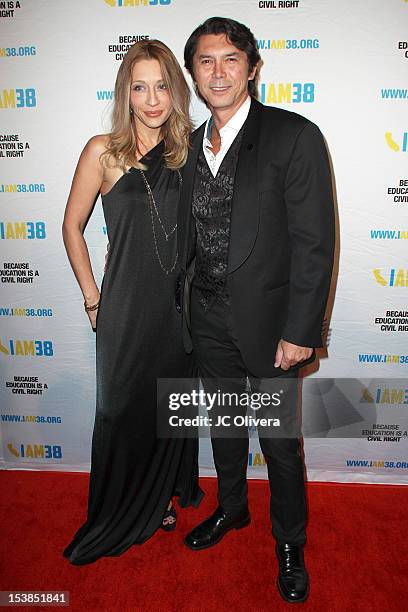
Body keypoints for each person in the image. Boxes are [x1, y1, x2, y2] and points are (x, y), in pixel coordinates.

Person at [177, 17, 335, 603]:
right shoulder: (188, 144)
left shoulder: (295, 136)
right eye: (205, 61)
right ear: (193, 72)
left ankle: (289, 541)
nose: (217, 72)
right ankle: (233, 509)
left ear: (252, 67)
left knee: (278, 440)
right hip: (207, 318)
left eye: (230, 59)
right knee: (222, 426)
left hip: (273, 327)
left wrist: (301, 331)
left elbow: (315, 243)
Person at [62, 39, 203, 566]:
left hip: (175, 312)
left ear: (175, 90)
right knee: (120, 412)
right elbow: (71, 228)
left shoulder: (189, 152)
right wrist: (93, 299)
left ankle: (161, 497)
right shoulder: (103, 150)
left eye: (162, 86)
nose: (151, 99)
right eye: (139, 87)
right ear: (126, 92)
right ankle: (122, 508)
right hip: (122, 309)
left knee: (168, 409)